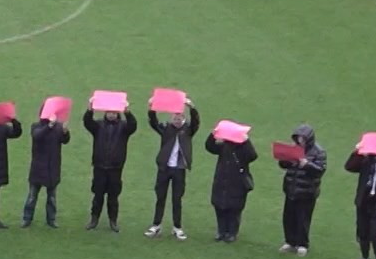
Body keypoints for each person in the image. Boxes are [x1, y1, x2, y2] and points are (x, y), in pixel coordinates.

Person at [145, 99, 199, 240]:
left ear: (183, 118)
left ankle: (177, 227)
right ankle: (156, 225)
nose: (177, 120)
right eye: (175, 118)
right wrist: (152, 108)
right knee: (160, 197)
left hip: (179, 169)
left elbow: (196, 122)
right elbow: (153, 123)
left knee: (177, 199)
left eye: (179, 118)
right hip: (164, 168)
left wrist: (192, 107)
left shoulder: (188, 130)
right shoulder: (166, 129)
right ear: (171, 119)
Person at [83, 106, 138, 232]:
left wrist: (128, 112)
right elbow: (87, 122)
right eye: (109, 112)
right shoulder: (98, 126)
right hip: (99, 167)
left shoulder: (123, 127)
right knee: (98, 196)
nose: (111, 115)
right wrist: (90, 110)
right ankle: (94, 219)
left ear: (118, 114)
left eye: (114, 112)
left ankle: (113, 221)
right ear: (105, 113)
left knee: (113, 197)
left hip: (115, 168)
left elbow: (133, 125)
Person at [278, 124, 325, 255]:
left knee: (303, 219)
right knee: (288, 217)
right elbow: (283, 165)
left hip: (307, 192)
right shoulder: (294, 148)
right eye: (298, 138)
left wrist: (307, 165)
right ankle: (290, 242)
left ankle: (302, 244)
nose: (300, 141)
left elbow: (320, 170)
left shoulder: (318, 152)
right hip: (291, 189)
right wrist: (285, 159)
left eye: (302, 138)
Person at [205, 128, 258, 242]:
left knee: (235, 208)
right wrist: (213, 134)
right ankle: (221, 231)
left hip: (237, 183)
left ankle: (232, 232)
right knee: (220, 206)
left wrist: (246, 140)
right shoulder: (224, 146)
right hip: (222, 181)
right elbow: (210, 147)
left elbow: (253, 155)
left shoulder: (243, 148)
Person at [23, 112, 69, 228]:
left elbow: (65, 140)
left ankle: (51, 219)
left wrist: (65, 132)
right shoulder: (36, 126)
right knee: (32, 197)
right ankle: (27, 219)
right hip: (38, 168)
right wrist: (49, 126)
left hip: (52, 168)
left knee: (52, 198)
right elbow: (37, 136)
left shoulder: (58, 127)